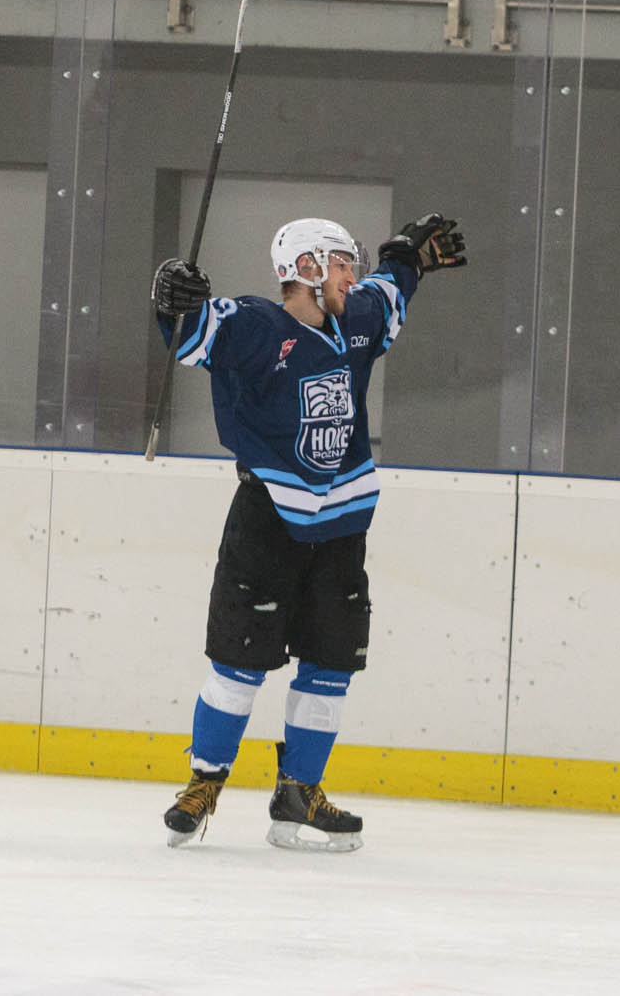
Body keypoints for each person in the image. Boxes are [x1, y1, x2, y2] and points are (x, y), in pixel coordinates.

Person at [150, 212, 467, 851]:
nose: (353, 276)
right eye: (342, 263)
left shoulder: (357, 321)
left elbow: (390, 288)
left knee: (330, 664)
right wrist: (172, 297)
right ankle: (204, 782)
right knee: (238, 663)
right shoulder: (256, 327)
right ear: (307, 267)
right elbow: (192, 330)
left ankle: (299, 791)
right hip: (267, 517)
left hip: (343, 526)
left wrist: (408, 255)